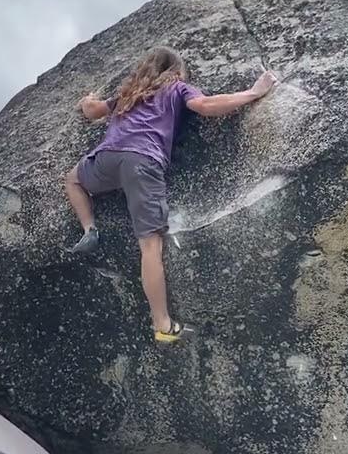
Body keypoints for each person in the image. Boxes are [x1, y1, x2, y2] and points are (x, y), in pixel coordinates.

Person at [64, 46, 278, 343]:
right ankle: (162, 324)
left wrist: (86, 100)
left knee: (73, 179)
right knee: (150, 248)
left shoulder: (128, 95)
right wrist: (253, 93)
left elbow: (92, 111)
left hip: (107, 160)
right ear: (177, 71)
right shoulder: (178, 88)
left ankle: (90, 228)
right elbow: (204, 105)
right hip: (144, 162)